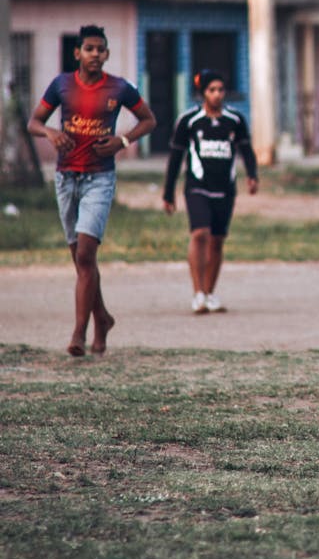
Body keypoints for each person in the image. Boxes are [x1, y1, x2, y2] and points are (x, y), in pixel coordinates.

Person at [28, 24, 156, 357]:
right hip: (66, 177)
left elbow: (148, 120)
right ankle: (102, 318)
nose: (95, 54)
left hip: (99, 177)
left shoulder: (119, 88)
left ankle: (78, 334)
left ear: (107, 54)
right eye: (89, 49)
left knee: (86, 255)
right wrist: (51, 134)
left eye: (100, 49)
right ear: (77, 53)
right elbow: (34, 122)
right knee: (81, 260)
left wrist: (122, 141)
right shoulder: (61, 85)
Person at [162, 69, 258, 314]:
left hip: (225, 189)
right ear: (203, 92)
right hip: (197, 187)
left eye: (220, 90)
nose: (217, 95)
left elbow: (246, 150)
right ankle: (197, 295)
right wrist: (168, 192)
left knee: (217, 240)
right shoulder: (189, 121)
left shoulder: (235, 120)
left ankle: (210, 292)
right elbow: (175, 157)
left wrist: (252, 176)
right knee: (200, 234)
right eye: (211, 90)